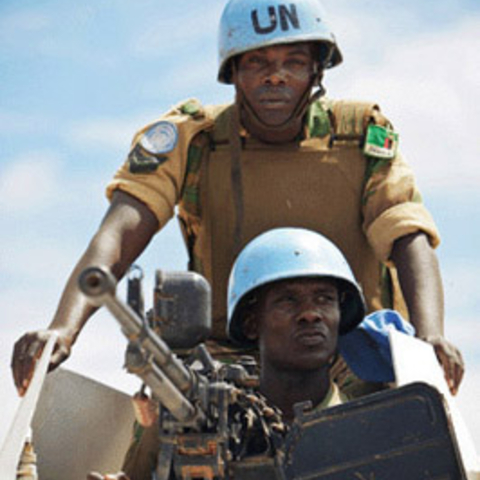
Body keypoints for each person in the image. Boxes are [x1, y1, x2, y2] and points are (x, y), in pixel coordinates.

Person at [12, 0, 463, 405]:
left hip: (346, 345)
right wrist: (63, 329)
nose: (275, 75)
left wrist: (429, 337)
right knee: (167, 428)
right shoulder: (194, 140)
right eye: (257, 62)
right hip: (228, 349)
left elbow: (407, 232)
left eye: (294, 61)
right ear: (233, 73)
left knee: (409, 430)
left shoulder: (359, 134)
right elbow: (118, 233)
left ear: (316, 72)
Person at [89, 227, 369, 480]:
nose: (310, 314)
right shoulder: (189, 420)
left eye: (324, 299)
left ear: (341, 315)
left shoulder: (369, 428)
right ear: (251, 323)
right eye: (288, 300)